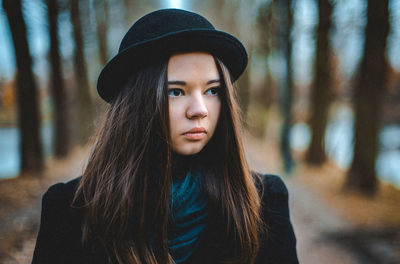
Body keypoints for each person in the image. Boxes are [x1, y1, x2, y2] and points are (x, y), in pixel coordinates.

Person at [32, 8, 298, 264]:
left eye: (212, 90)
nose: (199, 110)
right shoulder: (68, 212)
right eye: (176, 92)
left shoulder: (264, 204)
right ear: (136, 104)